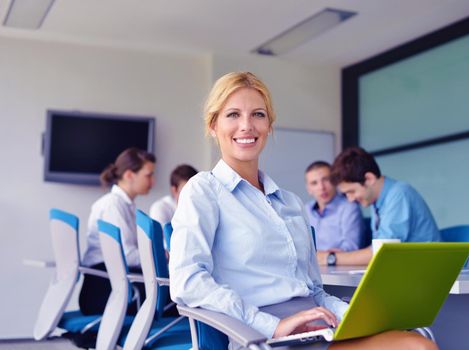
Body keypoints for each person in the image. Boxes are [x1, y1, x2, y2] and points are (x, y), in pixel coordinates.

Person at [169, 71, 437, 350]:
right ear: (213, 125)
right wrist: (273, 326)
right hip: (261, 337)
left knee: (418, 342)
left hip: (316, 327)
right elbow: (187, 282)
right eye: (233, 114)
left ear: (269, 125)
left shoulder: (291, 203)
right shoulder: (203, 190)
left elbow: (314, 291)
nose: (246, 125)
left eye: (258, 115)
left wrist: (353, 315)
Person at [323, 146, 441, 266]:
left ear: (369, 179)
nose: (350, 199)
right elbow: (378, 248)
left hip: (426, 270)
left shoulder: (399, 194)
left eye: (351, 191)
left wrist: (331, 258)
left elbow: (383, 252)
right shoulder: (377, 202)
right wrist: (343, 256)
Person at [79, 147, 156, 315]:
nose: (153, 182)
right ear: (129, 175)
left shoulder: (123, 205)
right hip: (104, 289)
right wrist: (159, 257)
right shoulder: (113, 206)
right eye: (148, 175)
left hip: (111, 283)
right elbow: (127, 255)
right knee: (173, 297)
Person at [305, 161, 363, 266]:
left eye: (326, 179)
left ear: (335, 181)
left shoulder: (349, 207)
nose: (321, 187)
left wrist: (323, 256)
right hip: (311, 269)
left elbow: (351, 248)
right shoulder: (304, 210)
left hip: (338, 267)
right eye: (314, 183)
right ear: (309, 189)